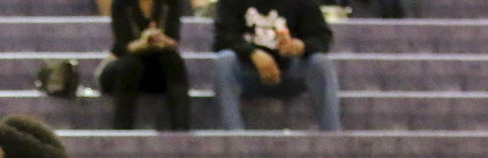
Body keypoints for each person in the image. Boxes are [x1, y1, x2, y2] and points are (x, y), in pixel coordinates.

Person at [212, 0, 342, 132]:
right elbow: (222, 39)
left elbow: (322, 37)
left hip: (291, 72)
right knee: (224, 61)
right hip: (247, 74)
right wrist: (253, 53)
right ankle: (233, 135)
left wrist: (301, 46)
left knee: (321, 62)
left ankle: (331, 133)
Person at [100, 0, 191, 131]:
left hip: (159, 67)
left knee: (173, 61)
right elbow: (121, 46)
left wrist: (161, 39)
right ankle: (122, 129)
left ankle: (181, 128)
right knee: (130, 65)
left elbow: (173, 39)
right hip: (127, 65)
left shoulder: (170, 3)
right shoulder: (121, 3)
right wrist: (142, 43)